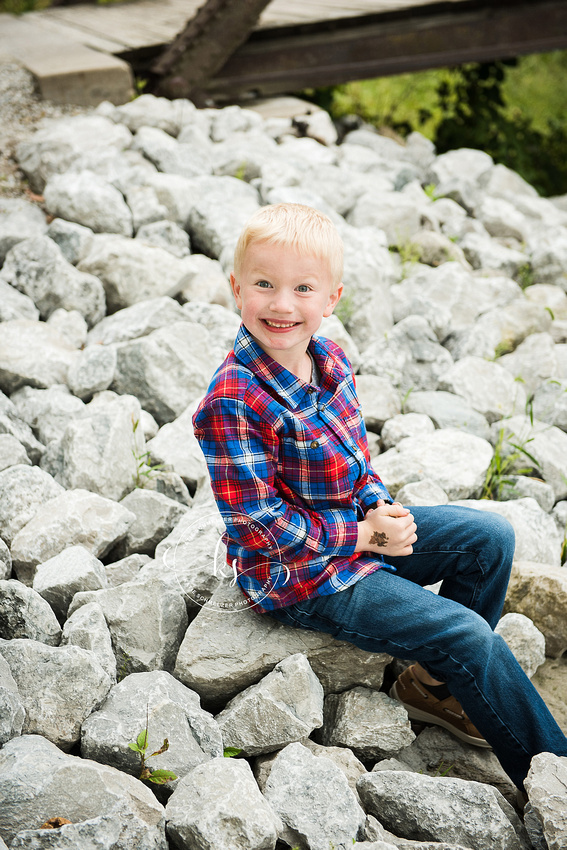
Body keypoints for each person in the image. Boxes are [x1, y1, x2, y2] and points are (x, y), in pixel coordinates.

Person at [193, 202, 567, 791]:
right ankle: (557, 779)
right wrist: (367, 536)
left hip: (352, 534)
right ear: (237, 288)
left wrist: (376, 505)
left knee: (490, 538)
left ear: (331, 298)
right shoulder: (232, 399)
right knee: (469, 636)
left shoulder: (329, 358)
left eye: (302, 289)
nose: (282, 304)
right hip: (301, 576)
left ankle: (433, 689)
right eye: (264, 285)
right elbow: (255, 527)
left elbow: (353, 458)